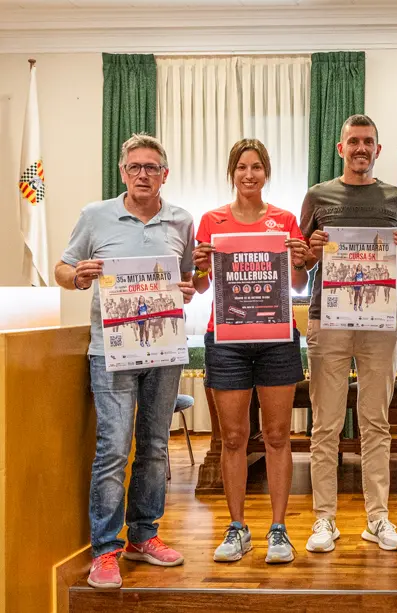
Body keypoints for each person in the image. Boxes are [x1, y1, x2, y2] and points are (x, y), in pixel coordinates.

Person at [55, 133, 195, 589]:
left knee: (154, 447)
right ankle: (105, 549)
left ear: (164, 175)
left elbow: (189, 278)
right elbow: (62, 268)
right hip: (110, 352)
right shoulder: (94, 216)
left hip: (165, 349)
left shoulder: (181, 220)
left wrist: (192, 290)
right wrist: (78, 276)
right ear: (122, 172)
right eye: (134, 166)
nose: (142, 174)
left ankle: (144, 537)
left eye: (151, 167)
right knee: (114, 448)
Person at [300, 114, 397, 553]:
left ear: (378, 149)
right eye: (353, 141)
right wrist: (309, 253)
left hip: (379, 322)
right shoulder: (318, 196)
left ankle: (378, 519)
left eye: (368, 141)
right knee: (325, 425)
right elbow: (301, 267)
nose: (361, 148)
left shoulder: (396, 197)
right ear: (341, 148)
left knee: (375, 423)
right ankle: (324, 520)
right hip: (326, 320)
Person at [192, 138, 309, 565]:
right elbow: (202, 286)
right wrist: (200, 262)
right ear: (232, 172)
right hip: (226, 340)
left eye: (256, 167)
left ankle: (279, 530)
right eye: (242, 167)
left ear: (266, 172)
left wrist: (301, 259)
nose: (249, 174)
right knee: (235, 437)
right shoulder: (211, 220)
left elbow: (296, 284)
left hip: (277, 337)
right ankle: (237, 527)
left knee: (278, 436)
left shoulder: (285, 220)